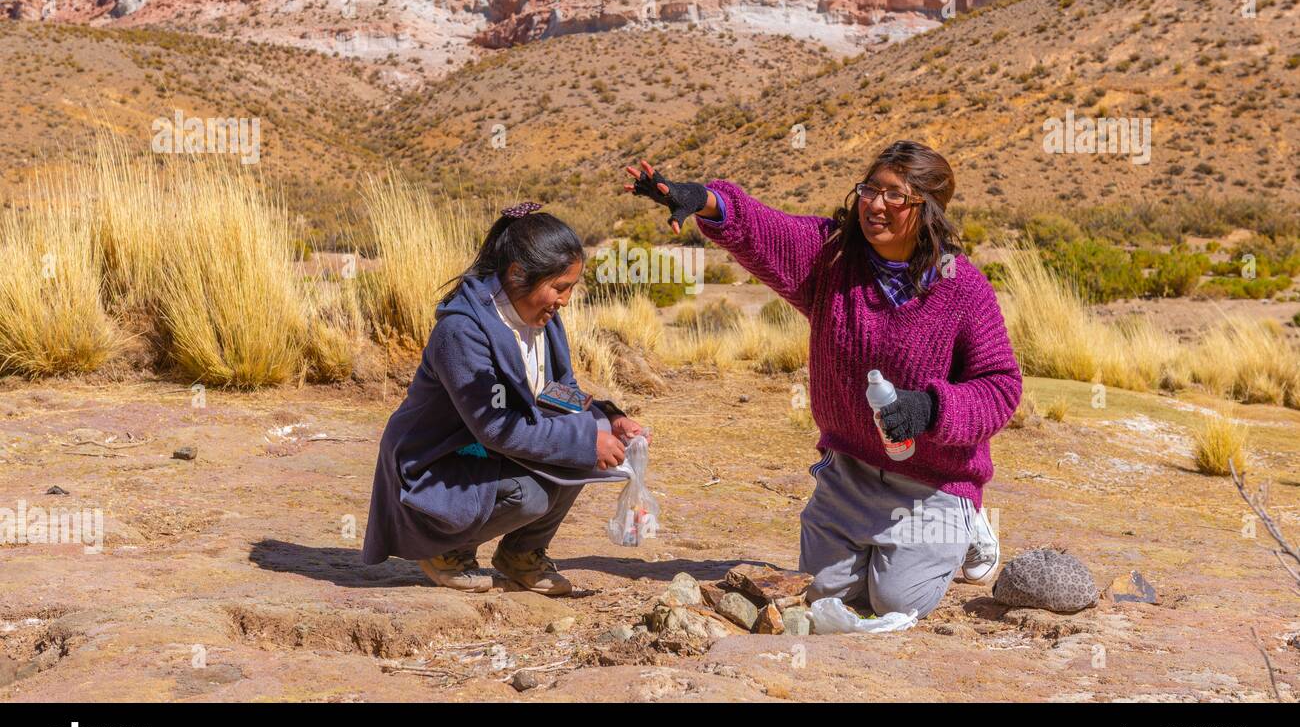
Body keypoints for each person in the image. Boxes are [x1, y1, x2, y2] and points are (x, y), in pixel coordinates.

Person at [624, 140, 1021, 619]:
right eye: (870, 189)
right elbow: (763, 229)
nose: (875, 204)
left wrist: (931, 409)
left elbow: (1000, 386)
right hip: (849, 470)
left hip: (932, 481)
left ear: (928, 210)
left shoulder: (962, 286)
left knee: (897, 601)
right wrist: (705, 199)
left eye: (894, 195)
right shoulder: (834, 257)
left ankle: (967, 523)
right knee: (825, 596)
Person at [361, 201, 647, 595]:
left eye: (570, 289)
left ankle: (522, 555)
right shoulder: (463, 332)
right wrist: (584, 440)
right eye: (559, 288)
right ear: (517, 274)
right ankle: (446, 550)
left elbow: (552, 392)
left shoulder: (541, 318)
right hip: (437, 461)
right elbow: (496, 426)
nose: (564, 300)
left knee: (585, 445)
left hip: (488, 450)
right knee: (533, 491)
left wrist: (605, 416)